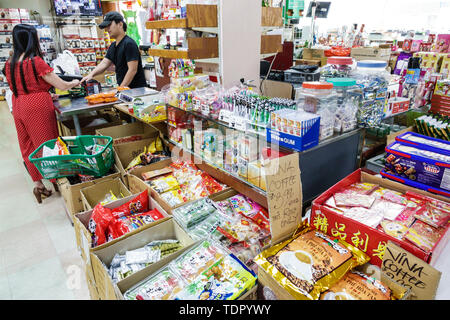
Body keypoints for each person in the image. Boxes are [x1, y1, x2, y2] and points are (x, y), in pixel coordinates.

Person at [2, 24, 80, 204]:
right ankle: (58, 183)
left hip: (18, 103)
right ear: (31, 40)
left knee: (27, 145)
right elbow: (61, 84)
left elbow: (17, 87)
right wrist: (74, 82)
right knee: (48, 145)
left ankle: (38, 184)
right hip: (37, 105)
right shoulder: (35, 61)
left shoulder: (10, 63)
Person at [81, 11, 146, 89]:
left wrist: (121, 88)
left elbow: (132, 70)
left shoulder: (129, 44)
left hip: (136, 90)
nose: (107, 29)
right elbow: (104, 63)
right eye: (106, 26)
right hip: (125, 90)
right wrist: (91, 75)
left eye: (109, 25)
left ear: (120, 24)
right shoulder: (113, 46)